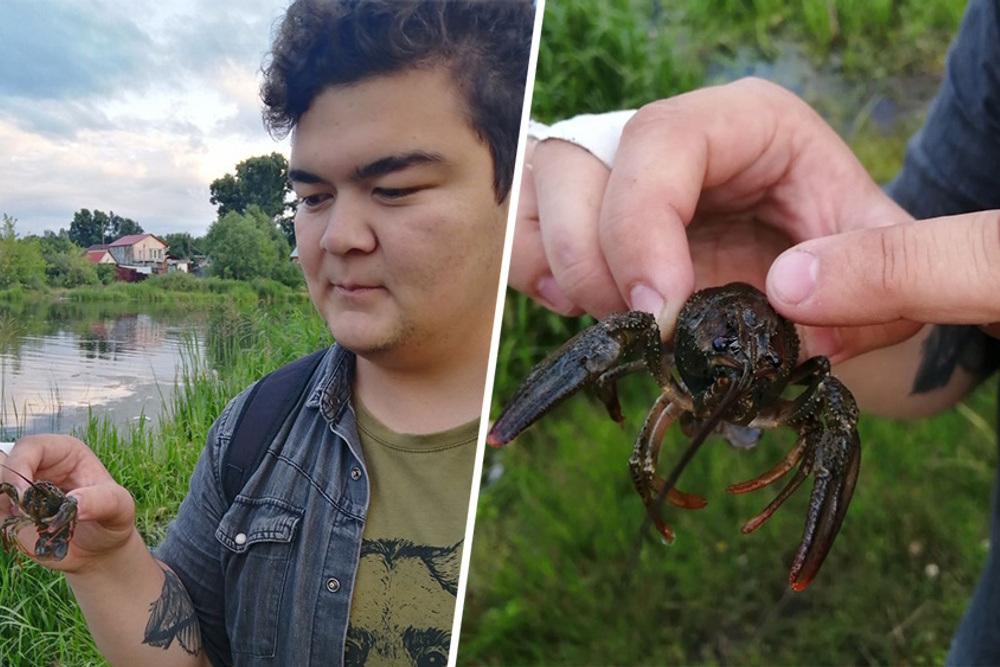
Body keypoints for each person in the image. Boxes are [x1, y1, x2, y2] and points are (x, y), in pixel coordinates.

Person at [0, 1, 534, 665]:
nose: (338, 236)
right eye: (312, 198)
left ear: (513, 190)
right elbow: (191, 650)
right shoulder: (253, 431)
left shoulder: (576, 428)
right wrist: (107, 563)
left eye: (393, 187)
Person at [512, 0, 999, 663]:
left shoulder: (790, 383)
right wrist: (590, 143)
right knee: (645, 454)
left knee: (826, 412)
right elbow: (948, 347)